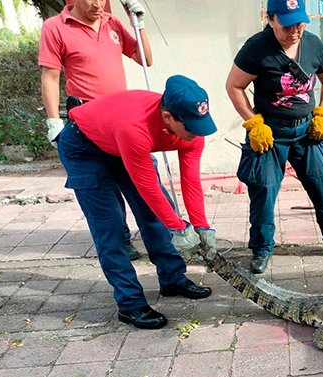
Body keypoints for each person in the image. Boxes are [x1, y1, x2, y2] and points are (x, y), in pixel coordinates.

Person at [56, 75, 218, 329]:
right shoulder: (135, 127)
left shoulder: (192, 126)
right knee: (109, 227)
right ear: (168, 117)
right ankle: (130, 302)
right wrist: (178, 227)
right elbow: (148, 188)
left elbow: (191, 181)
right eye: (192, 127)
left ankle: (172, 279)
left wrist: (201, 226)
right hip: (83, 148)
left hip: (121, 143)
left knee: (154, 217)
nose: (198, 133)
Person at [225, 0, 323, 274]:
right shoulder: (257, 48)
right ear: (270, 18)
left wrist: (322, 112)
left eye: (299, 22)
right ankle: (262, 249)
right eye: (287, 24)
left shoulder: (312, 44)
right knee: (264, 190)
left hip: (307, 131)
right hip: (271, 134)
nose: (295, 30)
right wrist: (253, 123)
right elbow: (234, 86)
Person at [39, 0, 155, 261]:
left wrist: (139, 24)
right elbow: (50, 76)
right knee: (105, 185)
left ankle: (162, 240)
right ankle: (121, 238)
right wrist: (53, 121)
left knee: (143, 179)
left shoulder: (112, 23)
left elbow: (145, 59)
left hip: (121, 120)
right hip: (87, 124)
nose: (98, 4)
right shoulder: (55, 27)